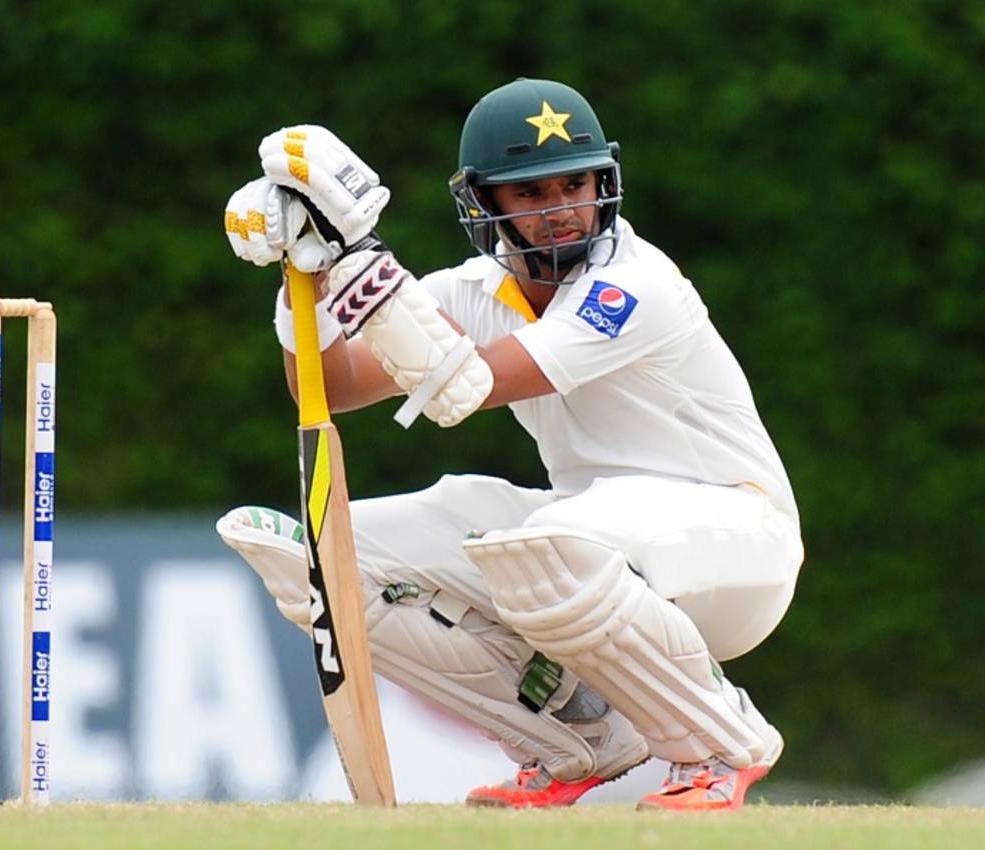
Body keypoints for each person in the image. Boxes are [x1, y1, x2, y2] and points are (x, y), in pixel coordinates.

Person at [218, 77, 803, 811]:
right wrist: (306, 273)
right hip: (597, 539)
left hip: (736, 542)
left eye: (575, 183)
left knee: (556, 543)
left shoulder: (635, 284)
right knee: (329, 556)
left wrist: (361, 253)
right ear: (486, 203)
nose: (561, 209)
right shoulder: (473, 290)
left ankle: (723, 743)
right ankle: (576, 739)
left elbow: (463, 387)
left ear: (604, 181)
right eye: (529, 194)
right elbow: (330, 385)